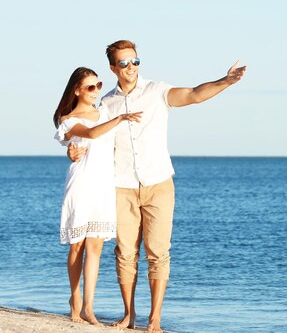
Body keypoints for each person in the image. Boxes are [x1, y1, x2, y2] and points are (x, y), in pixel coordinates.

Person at [68, 40, 246, 332]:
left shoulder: (156, 92)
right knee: (125, 253)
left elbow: (193, 95)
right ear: (113, 68)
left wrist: (225, 81)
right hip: (121, 185)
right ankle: (129, 315)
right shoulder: (106, 104)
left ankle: (155, 319)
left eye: (135, 61)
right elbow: (85, 136)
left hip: (158, 182)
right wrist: (71, 151)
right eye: (124, 63)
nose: (131, 68)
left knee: (158, 252)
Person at [53, 67, 142, 325]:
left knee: (96, 247)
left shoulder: (104, 110)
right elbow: (91, 134)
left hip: (104, 184)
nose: (96, 91)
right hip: (81, 183)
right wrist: (122, 118)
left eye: (98, 85)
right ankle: (75, 300)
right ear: (77, 90)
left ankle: (89, 307)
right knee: (77, 245)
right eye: (90, 87)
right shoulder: (68, 119)